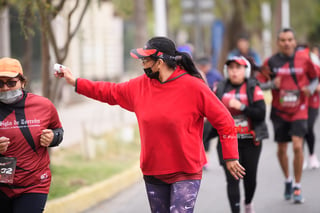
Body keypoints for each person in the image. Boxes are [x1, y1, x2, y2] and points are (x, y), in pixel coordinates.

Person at [55, 36, 245, 213]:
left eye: (145, 61)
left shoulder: (194, 87)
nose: (142, 65)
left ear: (159, 62)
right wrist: (75, 82)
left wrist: (230, 156)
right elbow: (108, 91)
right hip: (154, 170)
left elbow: (224, 120)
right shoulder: (139, 86)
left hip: (186, 170)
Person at [256, 28, 319, 204]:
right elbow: (259, 83)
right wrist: (271, 84)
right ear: (278, 42)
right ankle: (288, 180)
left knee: (298, 146)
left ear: (294, 41)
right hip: (279, 110)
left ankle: (298, 186)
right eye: (283, 40)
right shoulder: (271, 61)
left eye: (290, 40)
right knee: (282, 149)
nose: (287, 43)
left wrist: (311, 89)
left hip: (300, 108)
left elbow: (315, 78)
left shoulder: (304, 58)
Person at [0, 57, 64, 213]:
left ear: (22, 82)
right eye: (0, 84)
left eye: (11, 83)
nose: (5, 88)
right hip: (2, 186)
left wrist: (52, 137)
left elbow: (58, 131)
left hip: (34, 184)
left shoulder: (43, 105)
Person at [214, 56, 268, 213]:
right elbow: (211, 113)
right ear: (226, 71)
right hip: (227, 142)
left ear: (246, 71)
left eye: (238, 68)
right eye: (231, 68)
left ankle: (249, 203)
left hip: (251, 141)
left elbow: (261, 114)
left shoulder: (253, 88)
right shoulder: (220, 88)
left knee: (250, 179)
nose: (234, 71)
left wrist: (242, 107)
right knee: (232, 180)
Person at [195, 57, 223, 169]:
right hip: (198, 108)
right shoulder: (194, 74)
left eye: (205, 66)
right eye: (201, 66)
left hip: (211, 108)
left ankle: (205, 159)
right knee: (197, 135)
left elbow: (221, 90)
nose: (203, 68)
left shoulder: (216, 76)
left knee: (206, 134)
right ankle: (198, 158)